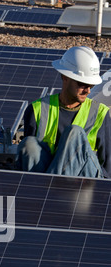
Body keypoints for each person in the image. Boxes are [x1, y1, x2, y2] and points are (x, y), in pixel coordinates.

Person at [16, 46, 111, 179]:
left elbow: (108, 166)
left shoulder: (100, 113)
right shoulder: (37, 110)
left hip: (87, 181)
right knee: (29, 145)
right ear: (65, 76)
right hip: (45, 177)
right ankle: (41, 192)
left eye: (91, 86)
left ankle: (49, 192)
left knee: (75, 133)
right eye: (82, 84)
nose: (88, 91)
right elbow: (32, 158)